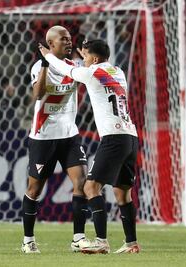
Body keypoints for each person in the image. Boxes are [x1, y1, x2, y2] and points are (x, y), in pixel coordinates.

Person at [39, 39, 140, 254]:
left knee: (90, 187)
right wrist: (85, 55)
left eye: (85, 57)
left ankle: (101, 241)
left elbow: (66, 68)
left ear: (94, 59)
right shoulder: (118, 72)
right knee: (123, 193)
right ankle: (131, 243)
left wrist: (47, 55)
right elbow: (89, 65)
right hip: (130, 136)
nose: (82, 61)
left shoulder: (92, 73)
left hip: (113, 137)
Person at [21, 25, 89, 254]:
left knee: (82, 183)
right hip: (44, 137)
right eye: (63, 39)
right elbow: (38, 94)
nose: (69, 42)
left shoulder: (74, 67)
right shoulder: (39, 67)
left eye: (70, 39)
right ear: (51, 44)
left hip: (69, 136)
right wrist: (46, 63)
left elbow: (91, 75)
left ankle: (78, 238)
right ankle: (28, 240)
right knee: (34, 189)